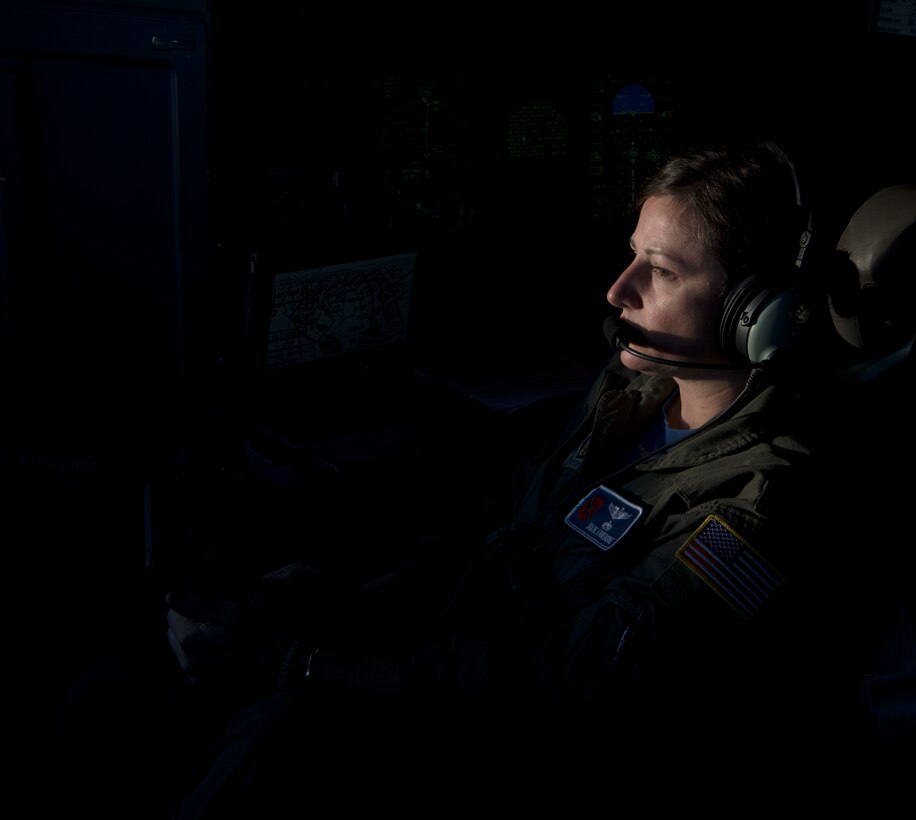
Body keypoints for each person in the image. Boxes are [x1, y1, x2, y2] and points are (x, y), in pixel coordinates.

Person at [49, 137, 874, 816]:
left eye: (658, 271)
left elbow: (570, 688)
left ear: (757, 314)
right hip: (453, 647)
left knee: (276, 744)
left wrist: (297, 661)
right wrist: (352, 592)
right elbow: (509, 528)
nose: (617, 290)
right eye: (631, 257)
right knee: (126, 678)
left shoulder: (763, 502)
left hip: (523, 741)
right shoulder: (633, 388)